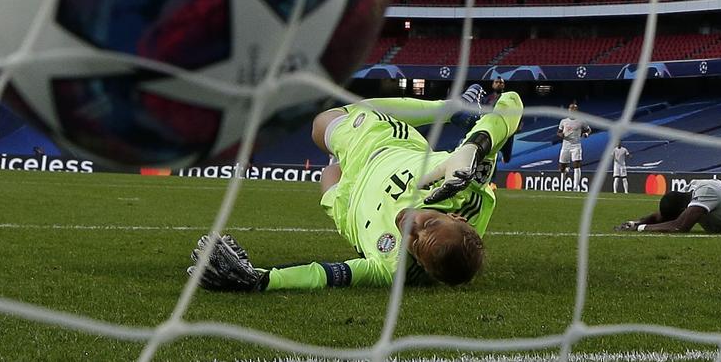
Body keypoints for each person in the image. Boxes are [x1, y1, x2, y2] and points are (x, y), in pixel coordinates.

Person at [189, 85, 523, 290]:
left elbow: (328, 274)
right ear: (459, 220)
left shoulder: (390, 270)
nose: (410, 226)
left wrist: (265, 280)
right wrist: (476, 146)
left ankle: (447, 110)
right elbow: (511, 103)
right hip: (384, 145)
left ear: (420, 264)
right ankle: (447, 110)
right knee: (322, 124)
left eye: (415, 245)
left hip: (348, 200)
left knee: (328, 168)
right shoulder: (467, 193)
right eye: (430, 223)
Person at [557, 100, 591, 190]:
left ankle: (575, 187)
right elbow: (559, 132)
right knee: (561, 167)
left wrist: (586, 134)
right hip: (565, 145)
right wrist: (561, 135)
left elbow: (588, 129)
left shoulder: (581, 121)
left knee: (577, 164)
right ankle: (566, 170)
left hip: (576, 145)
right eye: (571, 109)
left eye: (574, 109)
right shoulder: (563, 121)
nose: (572, 111)